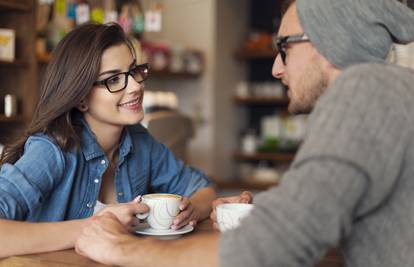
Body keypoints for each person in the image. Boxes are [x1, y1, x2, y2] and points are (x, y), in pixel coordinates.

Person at [75, 0, 414, 266]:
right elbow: (327, 212)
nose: (276, 68)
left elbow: (276, 248)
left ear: (328, 42)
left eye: (284, 48)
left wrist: (122, 249)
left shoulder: (366, 92)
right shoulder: (389, 93)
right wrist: (266, 213)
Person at [0, 23, 215, 258]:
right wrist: (96, 226)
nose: (135, 86)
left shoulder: (140, 143)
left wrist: (191, 210)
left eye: (134, 71)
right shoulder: (52, 149)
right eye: (113, 79)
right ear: (81, 97)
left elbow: (203, 188)